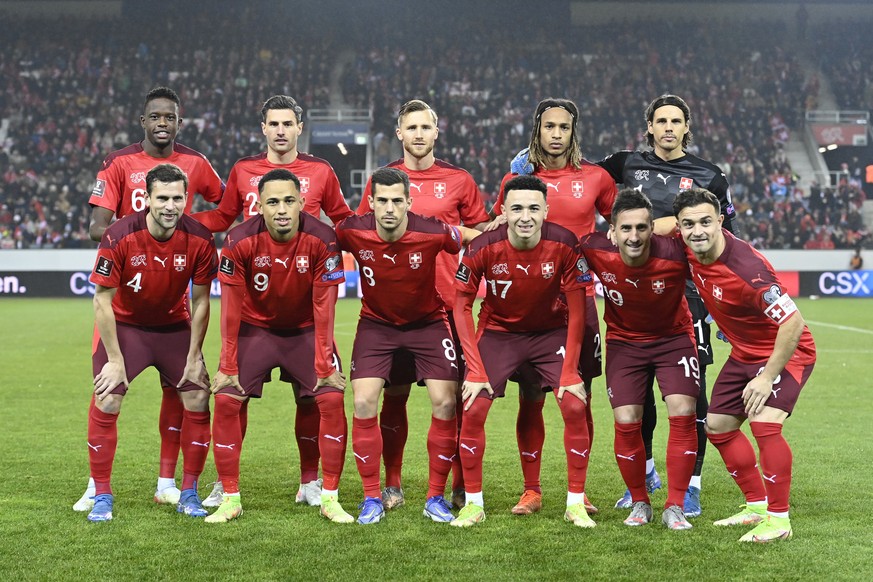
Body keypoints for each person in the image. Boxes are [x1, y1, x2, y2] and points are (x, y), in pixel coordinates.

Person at [195, 95, 353, 509]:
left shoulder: (321, 171)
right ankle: (224, 482)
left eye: (288, 123)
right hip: (256, 315)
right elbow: (223, 217)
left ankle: (309, 481)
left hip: (306, 311)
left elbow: (343, 220)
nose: (281, 130)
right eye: (273, 123)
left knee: (313, 397)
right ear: (263, 128)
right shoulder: (244, 171)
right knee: (232, 394)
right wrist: (177, 221)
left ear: (300, 127)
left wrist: (384, 237)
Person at [76, 87, 224, 512]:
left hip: (173, 321)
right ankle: (97, 487)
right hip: (125, 316)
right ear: (144, 121)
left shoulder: (196, 166)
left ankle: (172, 484)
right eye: (155, 116)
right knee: (107, 391)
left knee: (191, 392)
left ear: (180, 122)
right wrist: (139, 230)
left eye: (170, 117)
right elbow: (96, 227)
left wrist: (185, 224)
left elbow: (227, 205)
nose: (163, 123)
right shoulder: (120, 165)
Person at [596, 94, 739, 516]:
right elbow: (578, 178)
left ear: (687, 127)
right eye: (662, 121)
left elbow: (726, 240)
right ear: (650, 126)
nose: (669, 127)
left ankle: (691, 483)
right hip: (634, 291)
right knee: (637, 393)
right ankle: (647, 472)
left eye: (677, 121)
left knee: (690, 395)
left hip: (688, 293)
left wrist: (727, 305)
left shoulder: (709, 176)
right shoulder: (625, 164)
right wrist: (530, 165)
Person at [356, 99, 490, 511]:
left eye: (424, 127)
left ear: (436, 131)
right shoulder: (384, 182)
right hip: (393, 308)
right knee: (393, 397)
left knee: (455, 400)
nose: (417, 134)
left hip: (448, 308)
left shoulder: (459, 180)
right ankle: (392, 484)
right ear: (399, 133)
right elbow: (364, 231)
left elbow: (482, 232)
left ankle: (454, 485)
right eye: (409, 127)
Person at [495, 98, 616, 516]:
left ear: (573, 130)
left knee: (580, 396)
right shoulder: (519, 179)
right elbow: (498, 227)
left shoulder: (596, 177)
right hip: (529, 305)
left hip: (579, 302)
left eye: (564, 127)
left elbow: (619, 226)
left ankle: (578, 492)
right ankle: (531, 490)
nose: (556, 134)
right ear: (538, 129)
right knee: (531, 397)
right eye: (549, 126)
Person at [451, 175, 594, 528]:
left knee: (575, 403)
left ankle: (575, 502)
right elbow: (460, 307)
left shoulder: (565, 243)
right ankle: (473, 504)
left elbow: (578, 310)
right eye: (516, 208)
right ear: (503, 211)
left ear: (546, 210)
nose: (525, 216)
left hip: (551, 332)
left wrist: (571, 369)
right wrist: (475, 369)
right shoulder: (483, 246)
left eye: (533, 208)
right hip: (500, 332)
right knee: (473, 405)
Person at [673, 188, 816, 542]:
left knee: (765, 424)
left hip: (785, 352)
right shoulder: (687, 248)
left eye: (706, 222)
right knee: (719, 427)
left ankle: (779, 520)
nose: (698, 231)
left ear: (721, 222)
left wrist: (767, 377)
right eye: (688, 224)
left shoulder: (747, 270)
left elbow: (793, 323)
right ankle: (756, 505)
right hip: (743, 352)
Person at [336, 166, 477, 525]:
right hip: (376, 325)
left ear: (408, 202)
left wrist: (502, 232)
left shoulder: (431, 230)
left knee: (446, 402)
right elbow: (317, 241)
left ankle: (435, 497)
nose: (389, 208)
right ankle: (371, 498)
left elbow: (465, 236)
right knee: (365, 400)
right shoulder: (352, 230)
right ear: (370, 202)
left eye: (397, 201)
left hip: (428, 325)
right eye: (381, 200)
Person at [579, 189, 698, 530]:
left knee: (683, 411)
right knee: (627, 418)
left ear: (653, 229)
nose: (634, 236)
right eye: (626, 229)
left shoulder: (676, 253)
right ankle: (640, 501)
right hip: (625, 343)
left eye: (642, 228)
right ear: (612, 232)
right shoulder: (592, 248)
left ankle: (674, 504)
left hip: (674, 340)